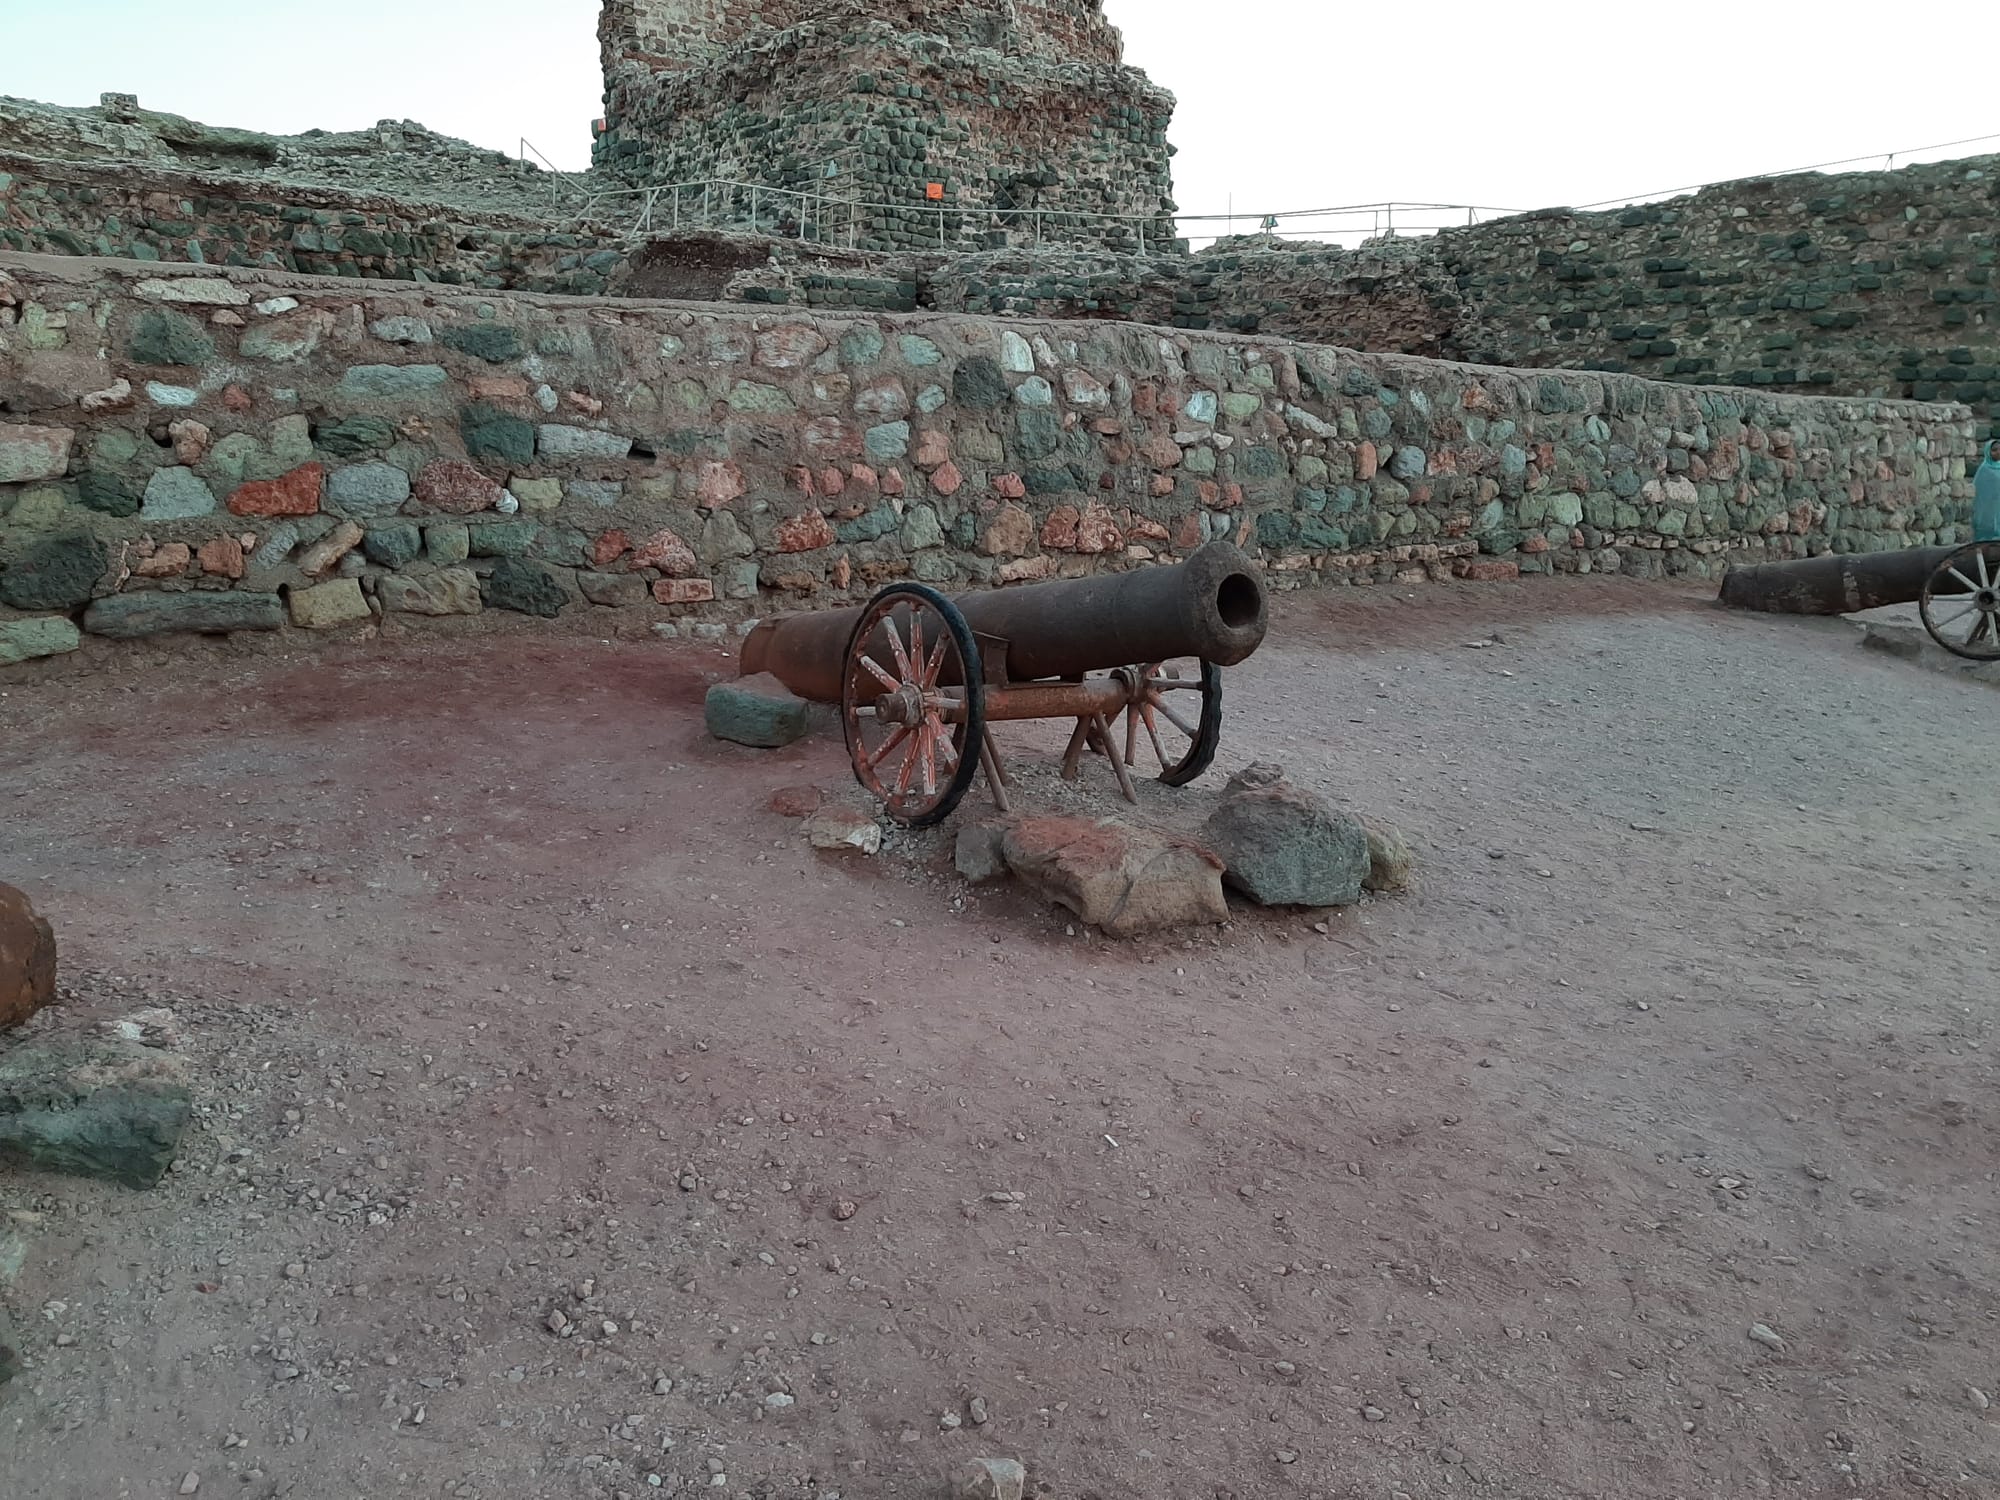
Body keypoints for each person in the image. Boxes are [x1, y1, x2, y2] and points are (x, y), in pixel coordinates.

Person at [1979, 437, 2000, 542]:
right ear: (1988, 452)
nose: (1998, 452)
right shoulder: (1984, 470)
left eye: (1999, 449)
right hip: (1989, 509)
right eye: (1994, 450)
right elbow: (1979, 491)